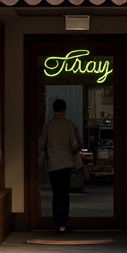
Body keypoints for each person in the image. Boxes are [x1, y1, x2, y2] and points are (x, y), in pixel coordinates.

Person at [38, 98, 81, 233]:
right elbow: (75, 144)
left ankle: (57, 222)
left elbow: (41, 144)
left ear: (53, 110)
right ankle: (64, 221)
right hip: (66, 162)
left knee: (56, 193)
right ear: (65, 109)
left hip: (53, 164)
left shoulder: (48, 126)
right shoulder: (69, 125)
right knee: (65, 193)